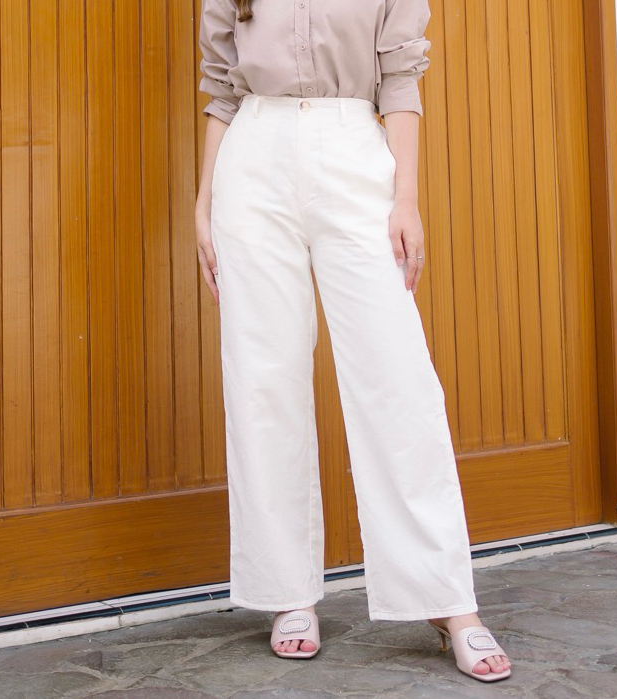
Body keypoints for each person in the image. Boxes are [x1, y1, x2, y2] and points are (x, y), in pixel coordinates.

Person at [194, 0, 511, 683]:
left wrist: (406, 197)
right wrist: (203, 200)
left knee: (397, 379)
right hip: (251, 163)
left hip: (353, 153)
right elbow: (222, 89)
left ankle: (446, 599)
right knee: (263, 380)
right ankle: (287, 593)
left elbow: (400, 76)